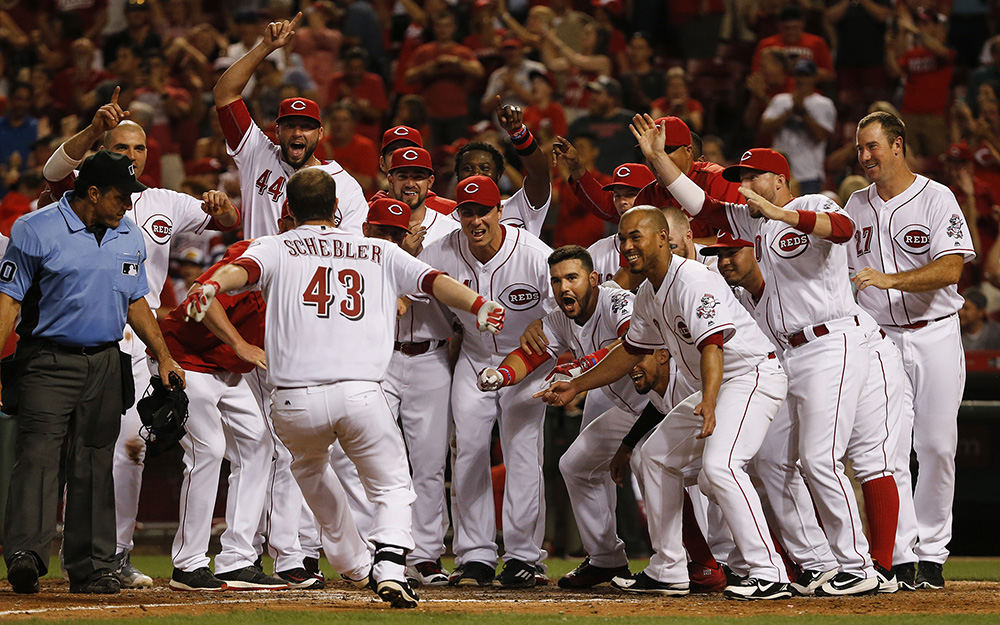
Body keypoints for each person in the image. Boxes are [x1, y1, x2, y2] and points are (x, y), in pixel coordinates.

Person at [182, 167, 505, 608]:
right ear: (337, 209)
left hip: (293, 401)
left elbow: (241, 270)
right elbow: (433, 281)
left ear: (289, 211)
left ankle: (354, 563)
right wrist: (480, 303)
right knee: (392, 484)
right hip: (360, 393)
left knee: (310, 469)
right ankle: (389, 565)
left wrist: (212, 283)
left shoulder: (275, 245)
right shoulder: (375, 248)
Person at [645, 118, 904, 595]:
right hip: (786, 353)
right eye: (739, 180)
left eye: (751, 178)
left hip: (832, 342)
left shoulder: (809, 203)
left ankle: (861, 566)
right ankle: (818, 562)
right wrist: (660, 160)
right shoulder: (750, 218)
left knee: (820, 458)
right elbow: (700, 204)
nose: (743, 186)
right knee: (770, 463)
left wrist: (782, 214)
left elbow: (844, 228)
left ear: (779, 180)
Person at [40, 89, 241, 588]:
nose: (133, 156)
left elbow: (228, 222)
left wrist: (222, 206)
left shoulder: (164, 202)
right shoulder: (79, 196)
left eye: (140, 149)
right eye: (123, 147)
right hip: (87, 332)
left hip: (143, 339)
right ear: (102, 150)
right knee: (90, 449)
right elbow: (49, 172)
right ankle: (81, 551)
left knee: (132, 449)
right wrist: (88, 130)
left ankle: (118, 552)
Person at [536, 207, 790, 600]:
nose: (628, 245)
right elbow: (629, 352)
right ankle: (669, 567)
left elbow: (712, 344)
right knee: (651, 456)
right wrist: (577, 385)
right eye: (623, 238)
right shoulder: (647, 294)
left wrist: (706, 400)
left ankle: (768, 571)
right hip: (716, 386)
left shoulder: (692, 280)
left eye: (636, 236)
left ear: (661, 238)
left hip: (750, 377)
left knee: (720, 466)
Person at [0, 151, 185, 595]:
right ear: (93, 192)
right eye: (122, 196)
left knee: (95, 462)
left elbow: (136, 299)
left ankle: (93, 565)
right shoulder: (34, 229)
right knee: (40, 456)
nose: (129, 204)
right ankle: (26, 554)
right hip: (47, 359)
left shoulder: (129, 234)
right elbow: (9, 301)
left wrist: (162, 354)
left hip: (105, 360)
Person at [847, 111, 976, 591]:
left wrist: (890, 280)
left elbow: (950, 270)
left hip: (935, 332)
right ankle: (900, 556)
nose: (865, 156)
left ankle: (933, 554)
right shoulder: (855, 205)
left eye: (872, 146)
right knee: (889, 449)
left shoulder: (936, 196)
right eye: (860, 148)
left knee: (938, 447)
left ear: (897, 145)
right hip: (880, 340)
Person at [477, 245, 645, 589]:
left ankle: (697, 562)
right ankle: (606, 559)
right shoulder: (558, 318)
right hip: (627, 408)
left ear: (593, 279)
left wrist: (578, 368)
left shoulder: (618, 302)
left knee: (670, 473)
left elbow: (633, 344)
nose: (564, 287)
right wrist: (501, 375)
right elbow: (530, 354)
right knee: (576, 465)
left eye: (572, 278)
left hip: (662, 402)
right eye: (556, 281)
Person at [420, 175, 554, 588]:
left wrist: (544, 326)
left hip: (529, 362)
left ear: (500, 211)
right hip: (476, 358)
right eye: (467, 211)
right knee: (469, 454)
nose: (475, 219)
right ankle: (475, 555)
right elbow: (424, 297)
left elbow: (567, 302)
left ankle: (523, 556)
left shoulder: (533, 253)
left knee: (522, 456)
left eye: (483, 210)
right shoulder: (439, 251)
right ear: (458, 213)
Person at [159, 239, 295, 592]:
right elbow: (199, 296)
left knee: (259, 446)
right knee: (208, 450)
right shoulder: (258, 253)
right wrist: (239, 344)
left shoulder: (311, 263)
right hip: (186, 359)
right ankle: (188, 565)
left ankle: (236, 559)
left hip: (227, 370)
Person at [377, 148, 461, 587]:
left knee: (429, 464)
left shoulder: (448, 231)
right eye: (401, 174)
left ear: (431, 181)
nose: (409, 182)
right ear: (386, 176)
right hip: (380, 356)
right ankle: (377, 550)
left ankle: (426, 555)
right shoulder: (369, 224)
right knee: (372, 459)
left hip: (431, 355)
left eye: (418, 175)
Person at [214, 12, 369, 239]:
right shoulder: (257, 154)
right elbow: (224, 93)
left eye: (306, 127)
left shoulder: (343, 185)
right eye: (290, 126)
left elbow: (354, 247)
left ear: (321, 132)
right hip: (258, 273)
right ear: (276, 130)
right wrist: (265, 47)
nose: (297, 133)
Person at [453, 99, 552, 237]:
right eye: (468, 168)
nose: (476, 173)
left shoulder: (518, 206)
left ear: (499, 174)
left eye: (485, 168)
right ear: (457, 175)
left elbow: (539, 175)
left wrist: (519, 133)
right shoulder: (445, 220)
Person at [759, 59, 836, 195]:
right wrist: (789, 112)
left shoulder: (824, 104)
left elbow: (821, 136)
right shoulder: (781, 100)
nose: (802, 80)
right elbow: (764, 127)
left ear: (814, 78)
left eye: (806, 75)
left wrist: (802, 112)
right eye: (799, 75)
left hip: (809, 174)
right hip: (780, 174)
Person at [370, 126, 456, 216]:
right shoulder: (368, 211)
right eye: (394, 153)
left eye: (410, 151)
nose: (403, 157)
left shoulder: (449, 210)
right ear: (382, 163)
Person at [567, 77, 638, 177]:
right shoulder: (579, 124)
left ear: (612, 98)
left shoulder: (631, 121)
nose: (592, 97)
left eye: (598, 93)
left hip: (625, 183)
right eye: (592, 93)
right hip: (590, 182)